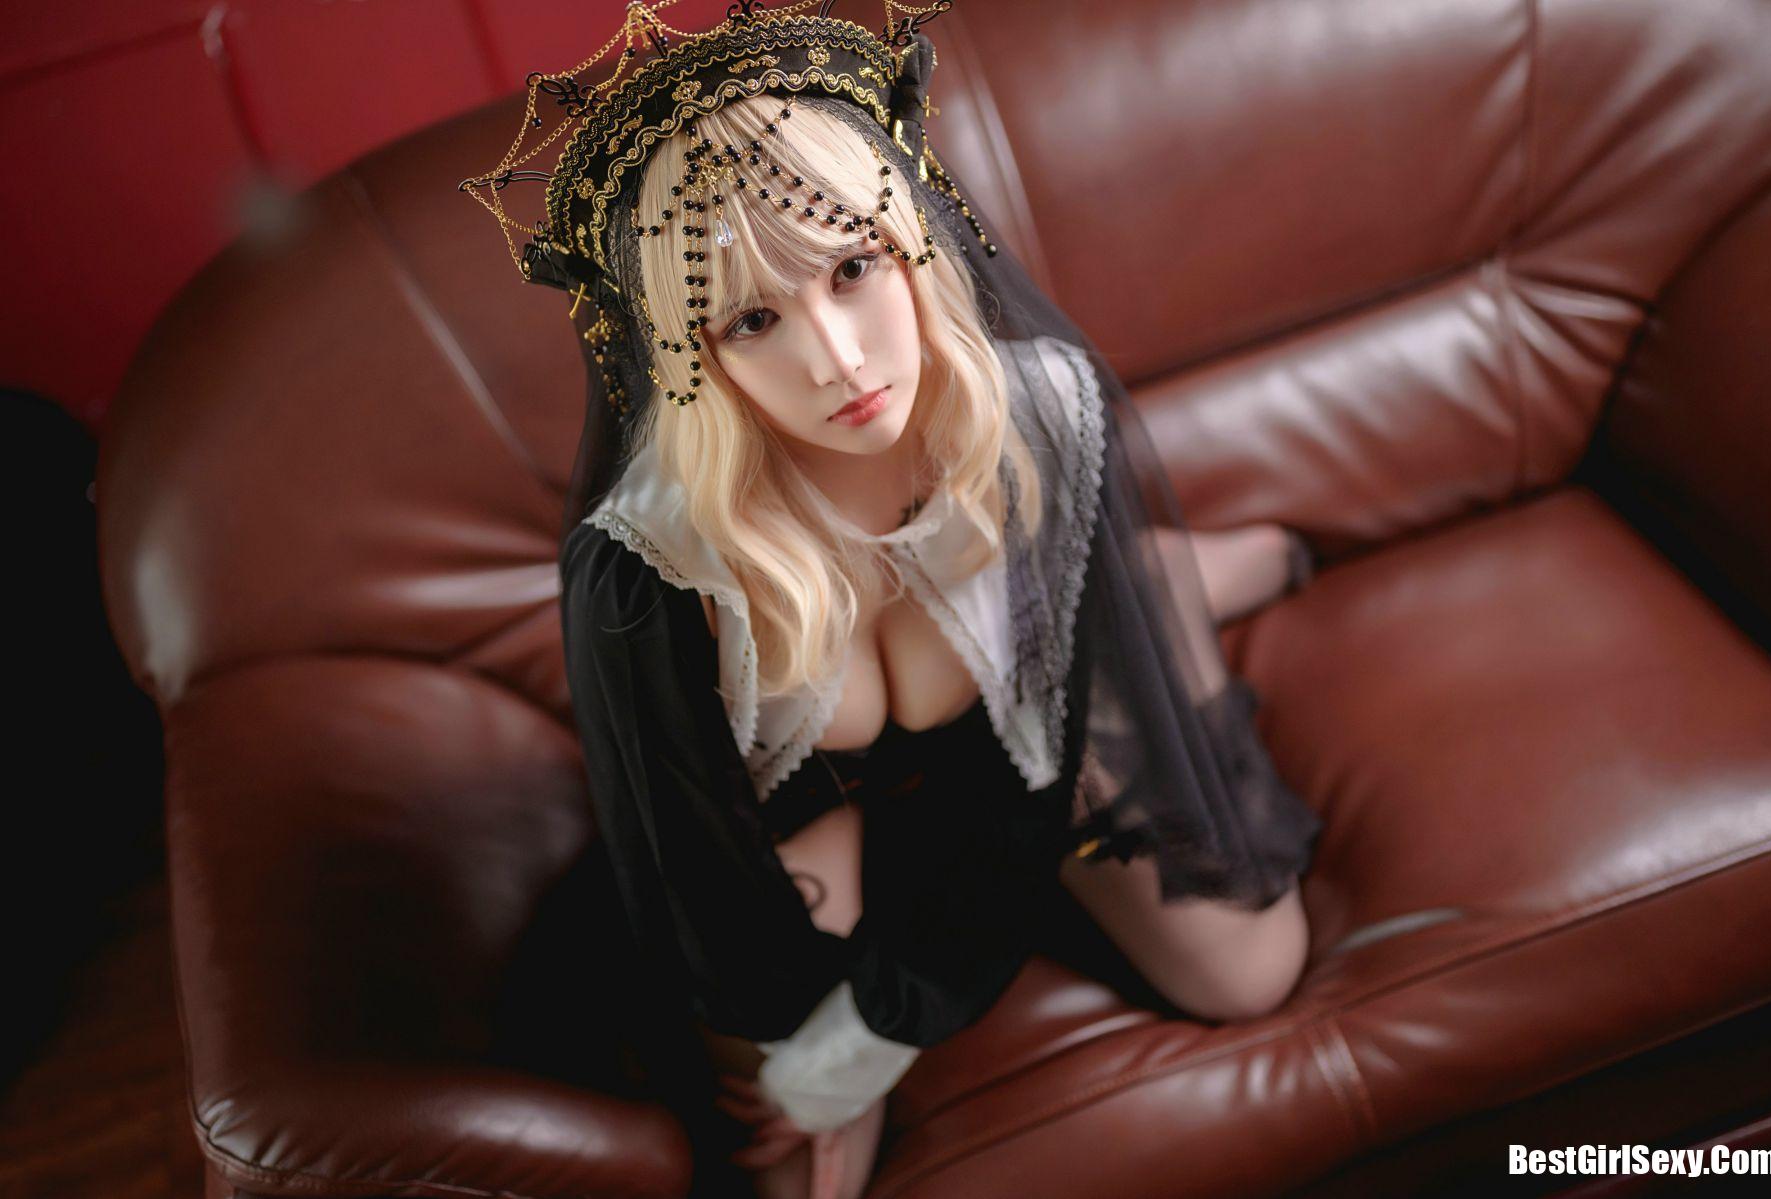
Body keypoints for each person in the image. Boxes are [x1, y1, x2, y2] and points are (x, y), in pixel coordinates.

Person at [462, 6, 1325, 1196]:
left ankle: (1168, 583)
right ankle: (1156, 580)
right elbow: (694, 876)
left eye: (852, 267)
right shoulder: (649, 569)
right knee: (802, 1175)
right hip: (813, 814)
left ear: (910, 238)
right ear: (689, 356)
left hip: (1008, 745)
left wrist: (893, 1015)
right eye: (752, 319)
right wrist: (825, 1043)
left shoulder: (1038, 415)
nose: (837, 358)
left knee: (1248, 971)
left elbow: (1020, 796)